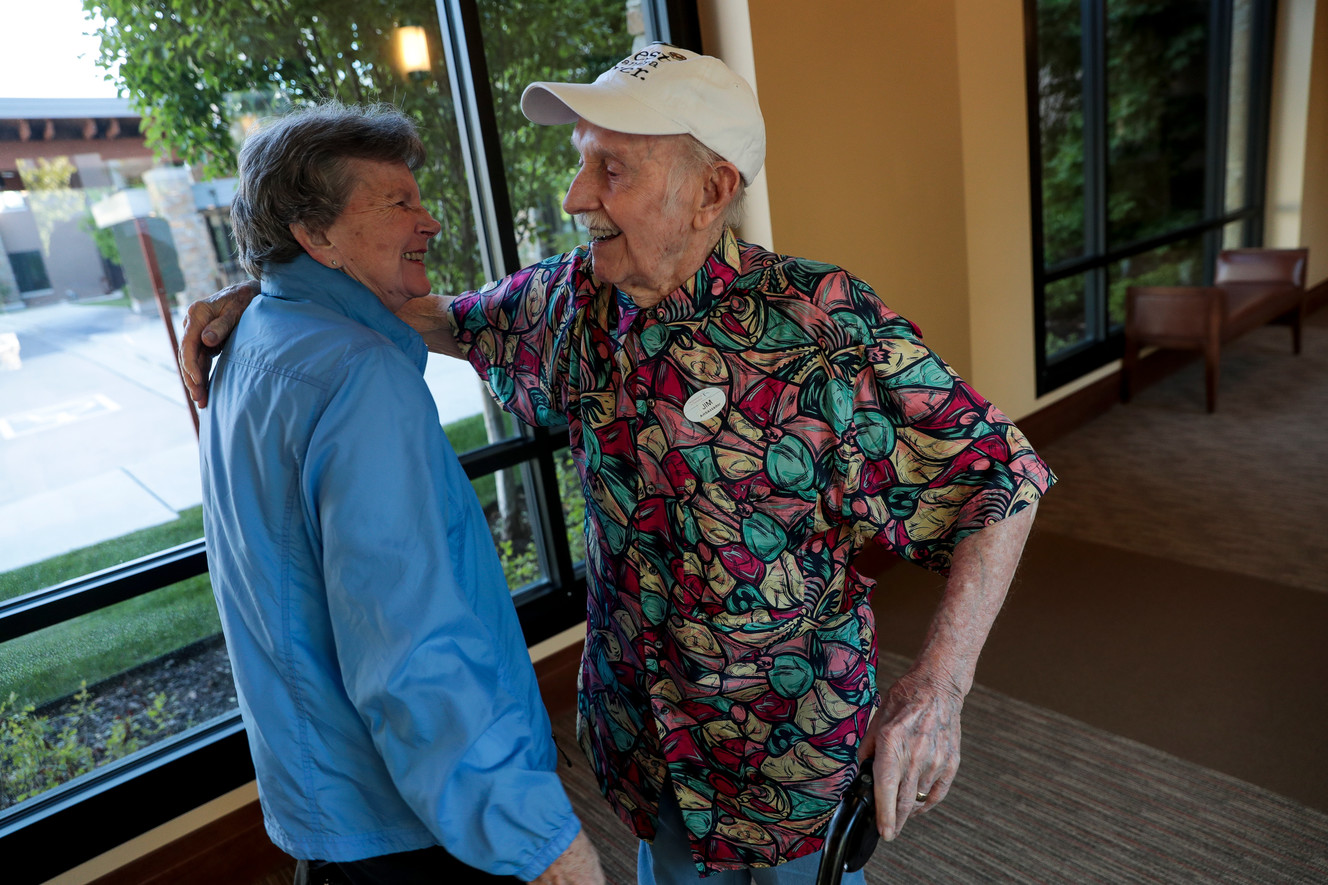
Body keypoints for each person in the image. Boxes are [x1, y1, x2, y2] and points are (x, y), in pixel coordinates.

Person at [182, 46, 1055, 884]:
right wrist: (280, 289)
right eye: (582, 162)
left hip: (790, 754)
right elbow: (435, 315)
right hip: (648, 747)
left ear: (711, 191)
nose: (574, 197)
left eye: (612, 171)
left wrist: (939, 684)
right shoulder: (570, 302)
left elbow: (1002, 480)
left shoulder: (822, 324)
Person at [195, 102, 603, 885]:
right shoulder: (360, 376)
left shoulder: (251, 339)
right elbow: (413, 649)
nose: (432, 220)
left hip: (322, 804)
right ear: (317, 237)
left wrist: (252, 286)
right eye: (399, 203)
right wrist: (543, 841)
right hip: (409, 820)